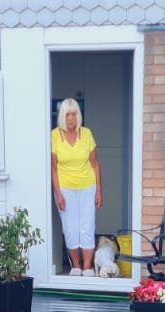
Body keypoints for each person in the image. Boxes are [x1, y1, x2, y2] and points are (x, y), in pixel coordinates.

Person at [50, 99, 102, 276]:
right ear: (62, 117)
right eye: (67, 115)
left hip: (88, 186)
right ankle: (76, 266)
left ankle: (87, 266)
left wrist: (99, 190)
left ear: (78, 116)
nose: (71, 118)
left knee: (87, 226)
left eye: (73, 114)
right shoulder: (55, 135)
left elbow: (95, 163)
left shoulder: (86, 134)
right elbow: (53, 167)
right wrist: (58, 193)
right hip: (65, 188)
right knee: (70, 228)